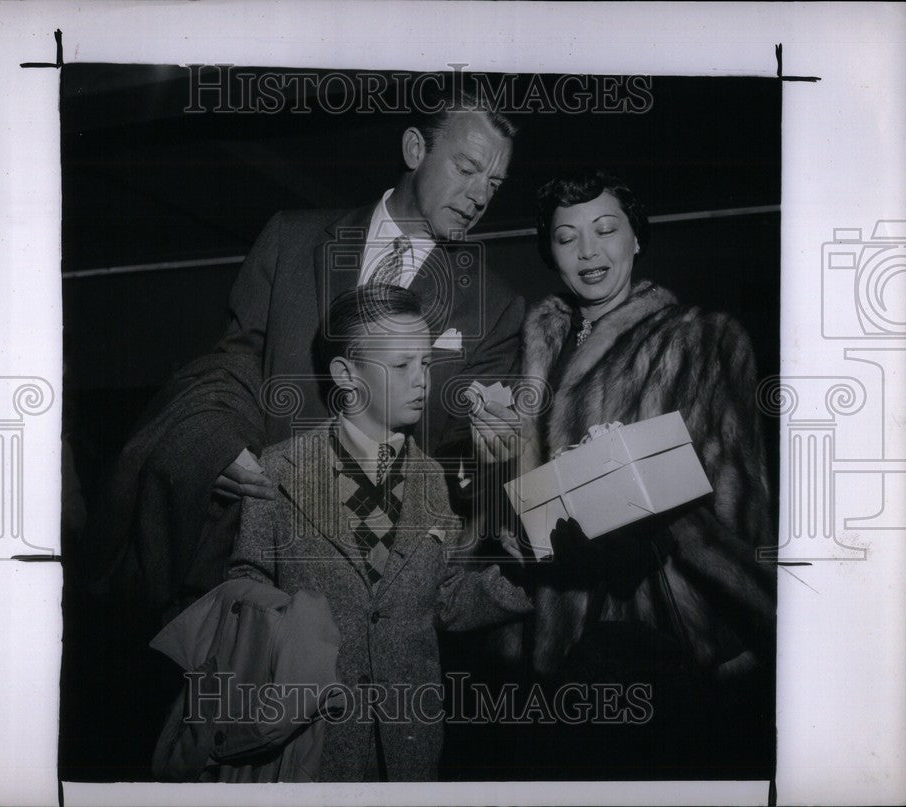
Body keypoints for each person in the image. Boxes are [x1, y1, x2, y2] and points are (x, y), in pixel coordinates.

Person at [70, 88, 525, 780]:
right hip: (260, 581)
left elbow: (456, 455)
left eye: (494, 182)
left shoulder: (494, 304)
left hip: (377, 598)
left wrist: (501, 447)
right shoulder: (291, 235)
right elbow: (233, 364)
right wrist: (216, 441)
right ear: (414, 148)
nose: (479, 193)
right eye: (467, 167)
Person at [505, 169, 776, 777]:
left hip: (656, 635)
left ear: (637, 238)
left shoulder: (701, 340)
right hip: (547, 633)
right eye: (566, 237)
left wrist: (636, 523)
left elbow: (738, 509)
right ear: (549, 252)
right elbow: (512, 503)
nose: (588, 251)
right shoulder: (529, 355)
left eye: (606, 229)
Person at [227, 285, 533, 782]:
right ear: (346, 375)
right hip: (303, 748)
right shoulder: (280, 469)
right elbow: (247, 587)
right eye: (401, 366)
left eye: (427, 364)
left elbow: (449, 599)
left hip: (410, 750)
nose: (422, 381)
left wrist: (537, 577)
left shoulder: (434, 479)